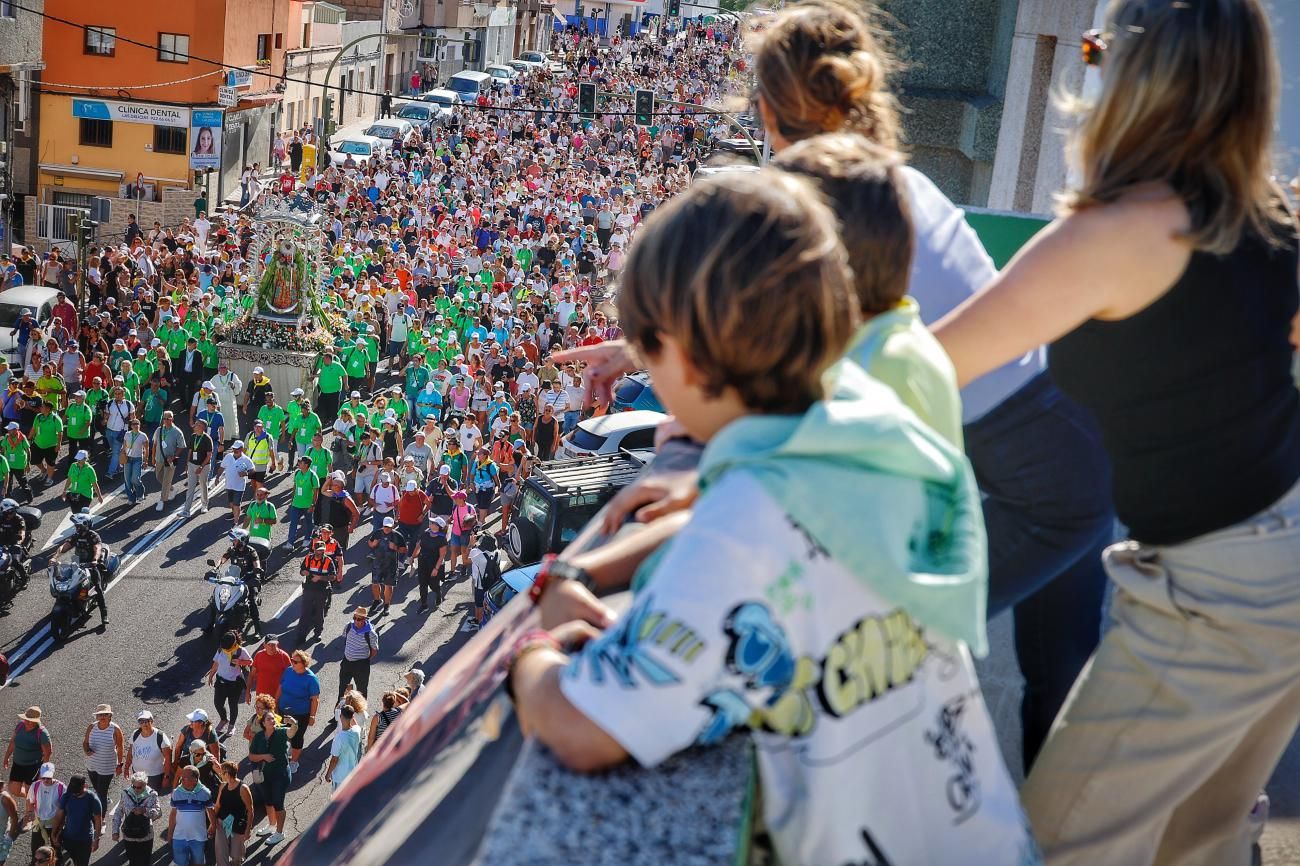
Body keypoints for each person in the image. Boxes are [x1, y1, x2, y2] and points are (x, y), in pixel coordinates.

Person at [513, 171, 1032, 864]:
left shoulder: (743, 530)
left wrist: (530, 659)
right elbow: (791, 530)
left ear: (689, 361)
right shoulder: (873, 430)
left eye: (647, 347)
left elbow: (585, 728)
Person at [931, 0, 1300, 862]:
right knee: (1196, 842)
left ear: (1138, 78)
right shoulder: (1264, 218)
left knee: (1058, 843)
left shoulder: (1115, 234)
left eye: (1096, 50)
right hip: (1277, 558)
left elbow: (929, 365)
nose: (1084, 74)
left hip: (1219, 589)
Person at [51, 512, 108, 628]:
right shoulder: (76, 535)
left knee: (98, 587)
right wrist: (54, 557)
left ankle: (104, 613)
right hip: (77, 562)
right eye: (76, 526)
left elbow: (97, 548)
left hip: (90, 564)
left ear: (85, 525)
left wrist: (95, 560)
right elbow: (64, 546)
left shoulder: (93, 536)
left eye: (78, 526)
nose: (76, 528)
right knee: (66, 580)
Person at [248, 711, 296, 846]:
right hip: (265, 775)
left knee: (278, 803)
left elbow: (292, 732)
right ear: (263, 723)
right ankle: (271, 826)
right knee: (268, 802)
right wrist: (264, 756)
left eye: (273, 718)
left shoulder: (281, 732)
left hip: (280, 775)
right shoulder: (258, 737)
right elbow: (251, 756)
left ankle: (279, 833)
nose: (272, 720)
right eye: (269, 719)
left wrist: (294, 723)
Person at [276, 651, 319, 772]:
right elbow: (280, 687)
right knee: (283, 734)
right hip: (283, 710)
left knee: (297, 738)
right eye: (291, 660)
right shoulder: (288, 671)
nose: (292, 663)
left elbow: (315, 700)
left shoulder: (311, 679)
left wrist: (312, 716)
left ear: (304, 663)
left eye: (295, 661)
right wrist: (275, 702)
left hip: (300, 715)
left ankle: (294, 762)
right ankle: (288, 750)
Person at [216, 529, 264, 635]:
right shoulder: (232, 549)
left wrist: (256, 569)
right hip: (234, 579)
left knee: (252, 601)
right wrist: (217, 566)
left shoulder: (251, 551)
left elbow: (257, 563)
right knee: (216, 598)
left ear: (243, 540)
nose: (233, 542)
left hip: (248, 579)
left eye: (235, 540)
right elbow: (224, 557)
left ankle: (258, 629)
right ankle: (210, 625)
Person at [4, 706, 51, 813]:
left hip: (33, 766)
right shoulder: (20, 726)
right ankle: (34, 798)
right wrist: (6, 757)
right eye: (26, 719)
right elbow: (13, 742)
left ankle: (29, 816)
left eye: (31, 721)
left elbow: (48, 753)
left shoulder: (42, 733)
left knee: (31, 790)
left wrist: (43, 771)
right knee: (13, 789)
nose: (28, 722)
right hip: (17, 763)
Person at [167, 764, 215, 866]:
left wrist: (213, 826)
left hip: (198, 837)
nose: (182, 779)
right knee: (180, 864)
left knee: (198, 863)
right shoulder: (176, 793)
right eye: (182, 777)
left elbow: (210, 811)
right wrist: (170, 833)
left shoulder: (205, 793)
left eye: (185, 778)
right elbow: (173, 815)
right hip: (179, 837)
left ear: (195, 779)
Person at [206, 631, 253, 737]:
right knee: (218, 703)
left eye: (228, 648)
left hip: (234, 684)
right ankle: (224, 720)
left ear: (234, 643)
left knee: (233, 705)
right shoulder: (221, 649)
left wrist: (240, 663)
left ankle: (231, 725)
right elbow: (216, 664)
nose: (226, 650)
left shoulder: (241, 651)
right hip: (221, 682)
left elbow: (250, 661)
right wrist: (210, 676)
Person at [110, 771, 161, 866]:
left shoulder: (152, 795)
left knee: (144, 861)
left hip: (146, 836)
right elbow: (118, 813)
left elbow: (158, 813)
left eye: (139, 787)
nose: (136, 789)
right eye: (134, 786)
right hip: (129, 836)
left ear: (146, 785)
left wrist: (144, 810)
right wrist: (115, 831)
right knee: (132, 860)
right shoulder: (125, 794)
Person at [298, 534, 341, 644]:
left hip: (322, 591)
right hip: (308, 589)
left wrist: (320, 578)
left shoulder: (328, 561)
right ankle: (302, 634)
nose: (320, 552)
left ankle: (318, 633)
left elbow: (333, 576)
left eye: (322, 550)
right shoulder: (308, 558)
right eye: (318, 550)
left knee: (319, 613)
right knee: (305, 613)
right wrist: (304, 572)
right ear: (314, 550)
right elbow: (302, 571)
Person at [51, 774, 102, 866]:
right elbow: (59, 815)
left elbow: (98, 820)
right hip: (68, 838)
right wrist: (53, 833)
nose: (74, 793)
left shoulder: (92, 799)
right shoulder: (67, 795)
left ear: (84, 786)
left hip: (85, 840)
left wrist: (96, 839)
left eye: (77, 791)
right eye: (73, 791)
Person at [80, 704, 123, 812]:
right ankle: (103, 799)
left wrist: (119, 765)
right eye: (100, 715)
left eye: (105, 714)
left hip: (107, 767)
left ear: (110, 716)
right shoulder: (91, 727)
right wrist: (87, 750)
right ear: (97, 717)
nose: (102, 716)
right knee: (97, 789)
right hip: (92, 765)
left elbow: (120, 747)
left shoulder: (115, 729)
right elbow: (85, 743)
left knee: (101, 793)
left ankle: (101, 818)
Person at [212, 761, 252, 866]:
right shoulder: (223, 786)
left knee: (236, 856)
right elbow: (217, 805)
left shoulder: (243, 789)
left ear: (227, 774)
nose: (220, 774)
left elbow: (250, 810)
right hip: (222, 822)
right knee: (220, 852)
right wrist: (212, 823)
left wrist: (248, 830)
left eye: (221, 773)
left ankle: (240, 855)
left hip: (237, 824)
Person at [338, 606, 379, 704]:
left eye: (359, 619)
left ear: (365, 619)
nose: (356, 621)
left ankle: (361, 712)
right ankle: (338, 714)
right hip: (346, 662)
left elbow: (374, 650)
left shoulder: (371, 634)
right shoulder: (348, 626)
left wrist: (365, 660)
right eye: (354, 618)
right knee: (342, 688)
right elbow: (345, 638)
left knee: (361, 690)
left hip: (361, 666)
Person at [366, 517, 406, 614]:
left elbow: (404, 550)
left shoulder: (398, 536)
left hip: (391, 565)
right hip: (378, 563)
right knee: (375, 584)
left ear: (393, 526)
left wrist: (395, 547)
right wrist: (373, 544)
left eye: (389, 527)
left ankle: (386, 605)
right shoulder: (377, 533)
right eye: (385, 526)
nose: (386, 528)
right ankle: (377, 600)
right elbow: (369, 543)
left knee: (388, 586)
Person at [124, 710, 171, 793]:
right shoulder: (135, 734)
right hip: (137, 775)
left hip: (154, 777)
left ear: (152, 721)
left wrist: (166, 777)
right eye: (141, 721)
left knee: (151, 798)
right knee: (138, 796)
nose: (144, 724)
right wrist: (126, 768)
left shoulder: (160, 736)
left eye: (147, 721)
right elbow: (130, 752)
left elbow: (168, 758)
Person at [411, 514, 447, 612]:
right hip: (422, 562)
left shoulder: (442, 539)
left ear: (437, 526)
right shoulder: (426, 533)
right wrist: (413, 556)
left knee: (433, 585)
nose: (430, 523)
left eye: (433, 523)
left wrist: (436, 569)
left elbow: (442, 556)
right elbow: (419, 545)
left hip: (433, 564)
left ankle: (438, 592)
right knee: (422, 585)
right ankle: (424, 605)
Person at [25, 763, 62, 854]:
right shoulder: (35, 786)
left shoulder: (61, 787)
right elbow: (30, 801)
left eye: (48, 778)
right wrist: (29, 813)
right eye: (43, 777)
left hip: (54, 824)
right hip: (39, 823)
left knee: (56, 851)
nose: (45, 780)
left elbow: (64, 809)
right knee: (36, 851)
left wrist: (61, 826)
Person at [153, 410, 186, 510]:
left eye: (168, 418)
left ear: (172, 419)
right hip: (159, 458)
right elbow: (154, 444)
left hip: (170, 460)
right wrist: (153, 457)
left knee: (166, 480)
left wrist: (174, 456)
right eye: (164, 418)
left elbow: (181, 446)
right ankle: (171, 489)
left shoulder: (177, 432)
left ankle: (163, 500)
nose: (166, 420)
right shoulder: (159, 430)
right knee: (159, 477)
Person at [325, 706, 362, 793]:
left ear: (341, 716)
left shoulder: (339, 738)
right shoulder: (357, 731)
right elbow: (355, 724)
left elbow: (334, 760)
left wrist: (328, 774)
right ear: (353, 717)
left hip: (340, 776)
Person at [219, 439, 255, 523]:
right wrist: (217, 477)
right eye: (233, 449)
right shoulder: (228, 456)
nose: (234, 450)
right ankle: (234, 513)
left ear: (242, 449)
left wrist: (246, 473)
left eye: (237, 449)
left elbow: (253, 471)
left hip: (239, 486)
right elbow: (222, 467)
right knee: (231, 504)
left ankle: (236, 522)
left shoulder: (246, 459)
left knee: (236, 504)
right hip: (229, 485)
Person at [247, 639, 290, 705]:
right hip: (261, 696)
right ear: (264, 645)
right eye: (268, 644)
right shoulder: (259, 655)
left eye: (273, 645)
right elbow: (252, 674)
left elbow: (290, 677)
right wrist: (248, 691)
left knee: (275, 715)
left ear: (277, 645)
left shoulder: (284, 657)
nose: (271, 647)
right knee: (261, 714)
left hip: (277, 696)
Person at [186, 417, 214, 515]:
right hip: (192, 464)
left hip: (204, 467)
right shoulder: (193, 436)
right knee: (190, 487)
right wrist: (187, 463)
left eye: (196, 424)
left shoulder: (207, 439)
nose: (194, 425)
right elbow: (190, 450)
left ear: (202, 427)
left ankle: (204, 505)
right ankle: (186, 510)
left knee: (203, 485)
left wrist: (201, 467)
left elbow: (209, 455)